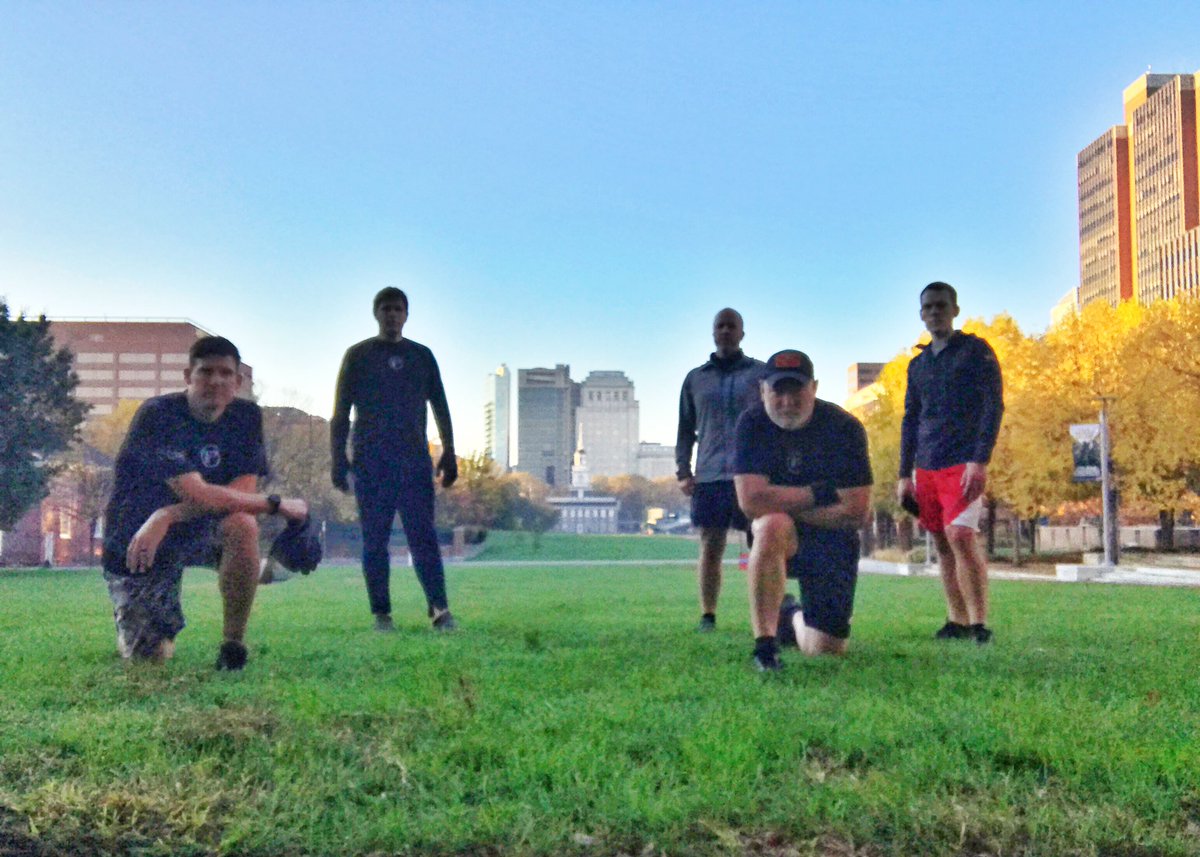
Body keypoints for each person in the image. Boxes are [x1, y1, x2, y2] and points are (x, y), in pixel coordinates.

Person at [101, 336, 308, 670]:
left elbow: (239, 493)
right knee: (149, 658)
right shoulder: (159, 415)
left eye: (226, 373)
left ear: (238, 381)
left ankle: (233, 647)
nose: (216, 381)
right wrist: (276, 504)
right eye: (206, 371)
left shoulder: (245, 417)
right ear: (188, 376)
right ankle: (262, 571)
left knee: (242, 523)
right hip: (138, 538)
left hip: (187, 526)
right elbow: (197, 493)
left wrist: (166, 514)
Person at [733, 350, 872, 671]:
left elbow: (857, 513)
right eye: (777, 391)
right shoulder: (751, 424)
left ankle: (790, 615)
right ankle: (765, 648)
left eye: (796, 390)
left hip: (833, 541)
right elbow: (751, 502)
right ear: (763, 391)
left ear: (814, 388)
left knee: (824, 651)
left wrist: (779, 500)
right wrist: (819, 493)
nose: (786, 400)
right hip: (781, 534)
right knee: (770, 524)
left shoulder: (845, 429)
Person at [331, 287, 459, 632]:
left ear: (406, 314)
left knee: (424, 537)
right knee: (374, 539)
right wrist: (337, 459)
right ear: (376, 313)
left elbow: (441, 406)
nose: (392, 315)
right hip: (372, 462)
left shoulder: (422, 356)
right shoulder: (358, 355)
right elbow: (340, 413)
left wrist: (448, 450)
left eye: (398, 309)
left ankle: (439, 608)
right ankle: (381, 614)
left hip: (414, 461)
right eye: (386, 309)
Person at [897, 281, 1004, 644]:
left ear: (955, 310)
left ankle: (979, 624)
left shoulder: (976, 351)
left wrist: (980, 459)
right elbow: (910, 418)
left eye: (941, 305)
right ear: (921, 314)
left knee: (961, 535)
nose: (934, 312)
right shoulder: (918, 365)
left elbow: (993, 406)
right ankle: (956, 620)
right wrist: (903, 474)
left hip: (963, 461)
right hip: (926, 465)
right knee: (941, 542)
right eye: (927, 307)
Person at [675, 308, 764, 632]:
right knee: (711, 545)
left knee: (762, 542)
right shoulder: (696, 378)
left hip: (752, 471)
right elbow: (685, 429)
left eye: (732, 326)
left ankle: (770, 610)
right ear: (713, 332)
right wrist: (683, 471)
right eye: (720, 326)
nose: (726, 331)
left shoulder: (760, 374)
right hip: (710, 474)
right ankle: (708, 615)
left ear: (742, 332)